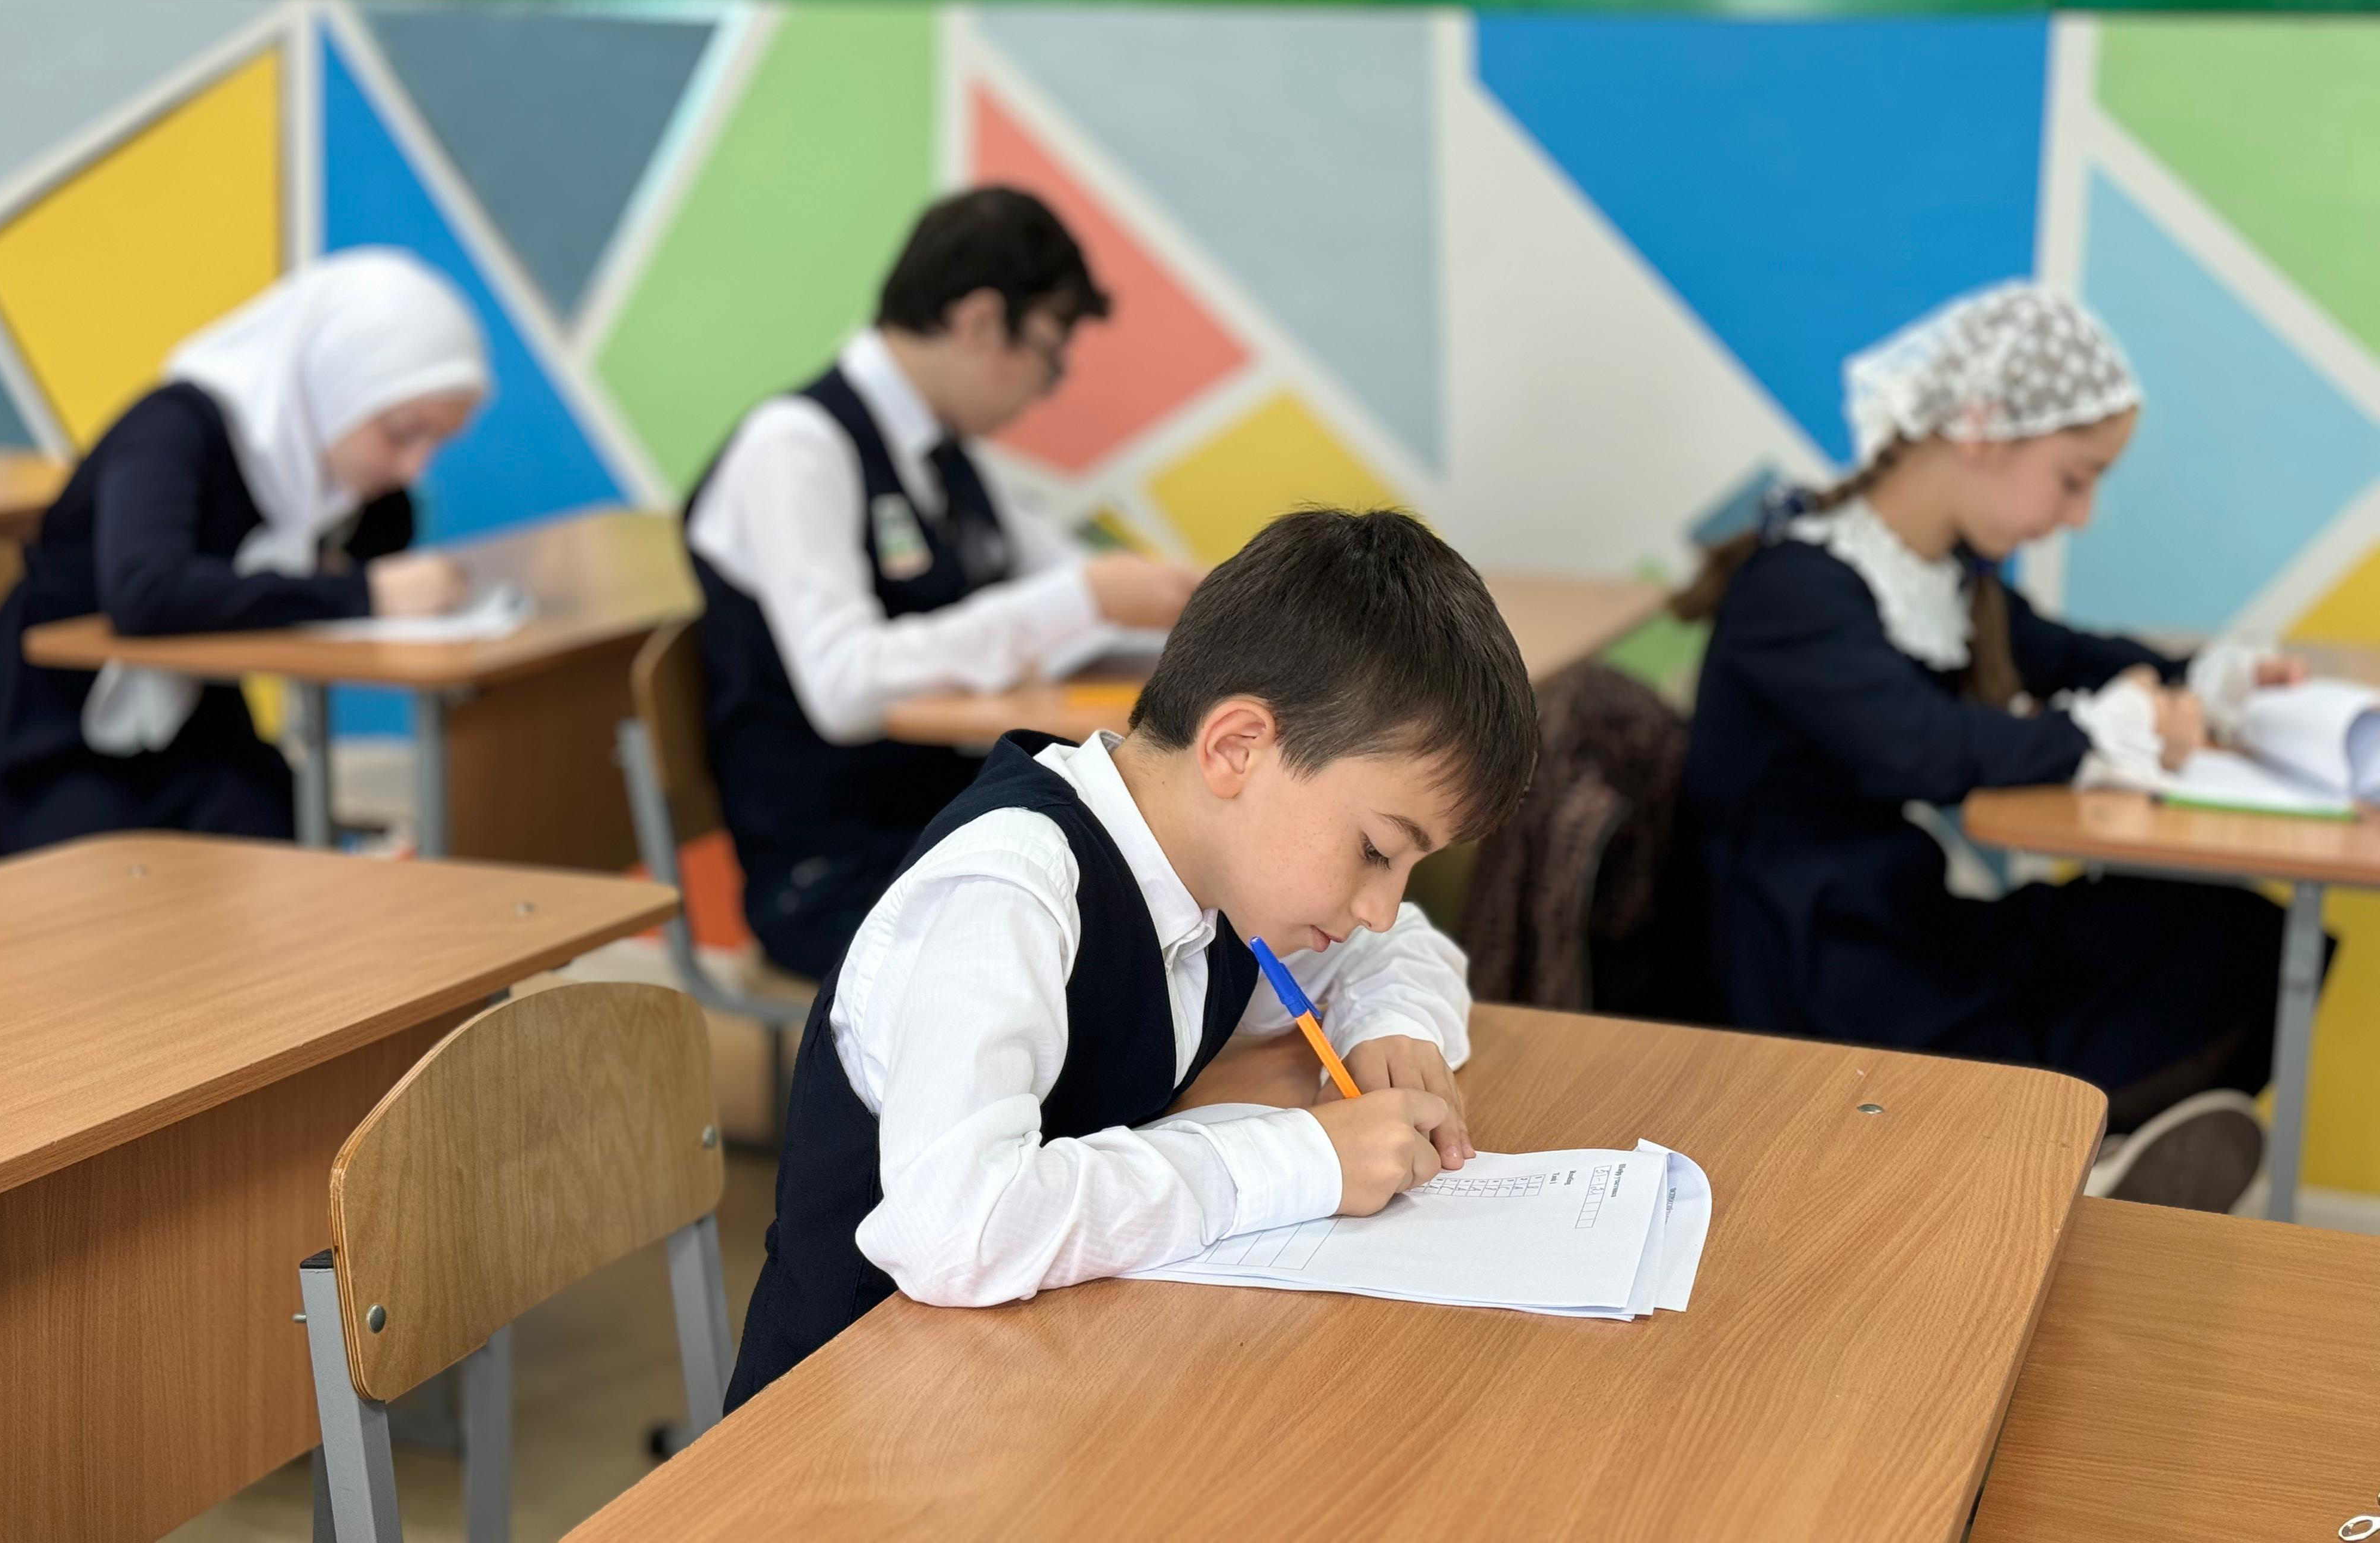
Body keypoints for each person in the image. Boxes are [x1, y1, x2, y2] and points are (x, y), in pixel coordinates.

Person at [724, 508, 1541, 1400]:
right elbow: (957, 1229)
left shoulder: (1225, 876)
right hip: (854, 1412)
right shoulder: (1013, 887)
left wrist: (1393, 1021)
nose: (1381, 909)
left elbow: (1400, 949)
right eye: (1378, 850)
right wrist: (1303, 1161)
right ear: (1237, 748)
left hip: (1043, 1381)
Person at [1676, 281, 2309, 1212]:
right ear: (1980, 432)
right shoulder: (1798, 587)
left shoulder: (1942, 577)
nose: (2081, 513)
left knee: (2228, 930)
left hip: (1895, 909)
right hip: (1805, 954)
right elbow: (1922, 749)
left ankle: (2083, 1158)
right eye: (2074, 478)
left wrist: (2214, 679)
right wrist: (2108, 730)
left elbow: (2074, 655)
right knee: (2047, 1006)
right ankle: (2049, 1165)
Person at [685, 187, 1199, 980]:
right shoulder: (795, 445)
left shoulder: (944, 456)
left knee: (1167, 897)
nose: (1049, 385)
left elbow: (1068, 576)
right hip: (834, 871)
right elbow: (844, 684)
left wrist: (1196, 604)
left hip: (950, 829)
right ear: (981, 320)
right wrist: (1085, 600)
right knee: (1123, 945)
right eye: (1050, 350)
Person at [0, 249, 488, 863]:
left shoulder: (325, 481)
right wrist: (368, 594)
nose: (414, 467)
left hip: (197, 732)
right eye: (401, 433)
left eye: (436, 442)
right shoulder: (173, 429)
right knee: (126, 888)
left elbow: (384, 533)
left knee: (284, 853)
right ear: (335, 382)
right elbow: (146, 593)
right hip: (53, 740)